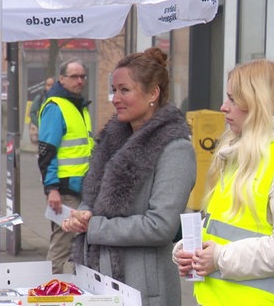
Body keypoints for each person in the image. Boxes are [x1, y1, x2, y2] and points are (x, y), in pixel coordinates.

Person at [174, 60, 274, 305]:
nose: (223, 107)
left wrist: (219, 258)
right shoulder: (243, 152)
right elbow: (225, 226)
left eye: (233, 99)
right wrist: (189, 249)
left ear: (258, 102)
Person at [63, 48, 196, 306]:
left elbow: (160, 226)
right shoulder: (112, 142)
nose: (115, 98)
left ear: (153, 93)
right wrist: (82, 215)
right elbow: (95, 200)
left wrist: (95, 227)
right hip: (98, 279)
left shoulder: (175, 149)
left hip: (143, 288)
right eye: (114, 90)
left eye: (125, 90)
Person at [37, 58, 93, 274]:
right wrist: (52, 189)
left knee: (76, 244)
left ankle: (70, 288)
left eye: (82, 76)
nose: (80, 81)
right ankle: (49, 289)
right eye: (74, 77)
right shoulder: (56, 106)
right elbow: (46, 152)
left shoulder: (78, 105)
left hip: (80, 186)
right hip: (64, 189)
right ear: (62, 79)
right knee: (61, 244)